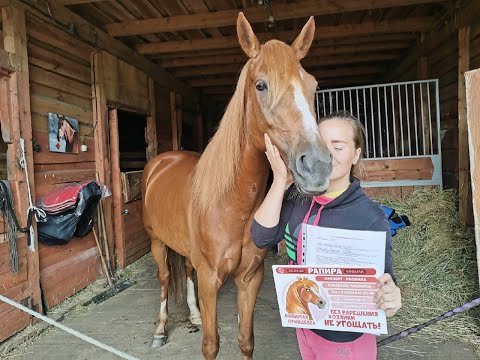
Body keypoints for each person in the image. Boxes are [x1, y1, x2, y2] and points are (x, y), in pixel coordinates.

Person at [251, 111, 402, 360]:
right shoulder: (297, 200)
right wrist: (280, 181)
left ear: (356, 154)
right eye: (320, 145)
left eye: (338, 146)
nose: (327, 154)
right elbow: (261, 237)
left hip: (345, 341)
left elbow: (385, 282)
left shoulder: (370, 217)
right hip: (305, 324)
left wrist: (391, 298)